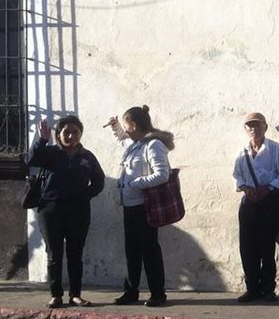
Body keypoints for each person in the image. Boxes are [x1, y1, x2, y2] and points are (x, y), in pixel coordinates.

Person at [28, 115, 106, 308]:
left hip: (78, 211)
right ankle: (56, 295)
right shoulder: (51, 153)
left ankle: (75, 294)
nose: (71, 136)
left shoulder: (87, 157)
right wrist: (42, 140)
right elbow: (32, 160)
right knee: (54, 254)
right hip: (51, 209)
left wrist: (83, 195)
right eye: (67, 132)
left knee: (75, 254)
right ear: (59, 134)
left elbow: (99, 181)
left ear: (81, 134)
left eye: (76, 132)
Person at [109, 106, 174, 307]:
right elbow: (123, 139)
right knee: (132, 250)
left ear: (135, 125)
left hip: (143, 207)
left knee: (149, 250)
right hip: (129, 206)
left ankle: (157, 293)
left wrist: (134, 183)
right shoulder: (136, 144)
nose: (127, 130)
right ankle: (131, 291)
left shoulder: (153, 145)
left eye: (127, 126)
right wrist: (116, 127)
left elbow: (163, 174)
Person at [232, 112, 279, 303]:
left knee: (266, 245)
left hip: (269, 203)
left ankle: (268, 289)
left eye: (257, 125)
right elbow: (236, 176)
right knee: (247, 246)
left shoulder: (275, 150)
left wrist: (267, 189)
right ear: (245, 129)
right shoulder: (241, 152)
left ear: (265, 127)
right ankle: (252, 288)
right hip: (249, 203)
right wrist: (247, 190)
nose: (253, 129)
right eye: (250, 126)